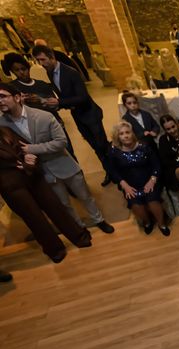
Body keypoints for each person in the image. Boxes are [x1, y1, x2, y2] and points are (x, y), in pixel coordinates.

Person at [0, 83, 114, 234]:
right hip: (41, 173)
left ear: (17, 97)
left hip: (64, 164)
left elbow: (61, 142)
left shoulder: (43, 116)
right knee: (63, 204)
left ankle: (98, 219)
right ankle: (79, 227)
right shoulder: (2, 125)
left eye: (2, 96)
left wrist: (32, 149)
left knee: (85, 196)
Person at [0, 125, 92, 262]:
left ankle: (78, 236)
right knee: (35, 218)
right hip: (12, 186)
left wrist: (30, 161)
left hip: (32, 175)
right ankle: (55, 250)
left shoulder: (5, 129)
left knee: (55, 206)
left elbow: (25, 146)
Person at [31, 45, 112, 186]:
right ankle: (109, 171)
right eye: (38, 61)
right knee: (94, 146)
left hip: (90, 114)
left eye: (43, 59)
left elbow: (83, 97)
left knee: (102, 145)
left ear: (51, 56)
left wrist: (60, 102)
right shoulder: (49, 72)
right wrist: (55, 104)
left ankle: (117, 171)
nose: (41, 64)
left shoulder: (71, 72)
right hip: (78, 115)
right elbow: (64, 96)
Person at [2, 52, 76, 157]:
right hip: (33, 130)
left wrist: (42, 100)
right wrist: (19, 102)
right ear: (12, 71)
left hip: (53, 122)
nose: (21, 73)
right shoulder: (12, 88)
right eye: (17, 70)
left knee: (68, 153)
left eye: (23, 69)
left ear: (28, 68)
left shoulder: (42, 84)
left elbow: (56, 105)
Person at [108, 121, 170, 236]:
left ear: (132, 133)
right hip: (130, 184)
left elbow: (157, 165)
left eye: (128, 132)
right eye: (121, 134)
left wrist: (152, 180)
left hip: (149, 180)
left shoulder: (144, 146)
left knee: (152, 202)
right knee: (137, 206)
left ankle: (162, 224)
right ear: (118, 136)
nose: (125, 135)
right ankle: (147, 223)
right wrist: (124, 185)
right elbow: (112, 170)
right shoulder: (113, 151)